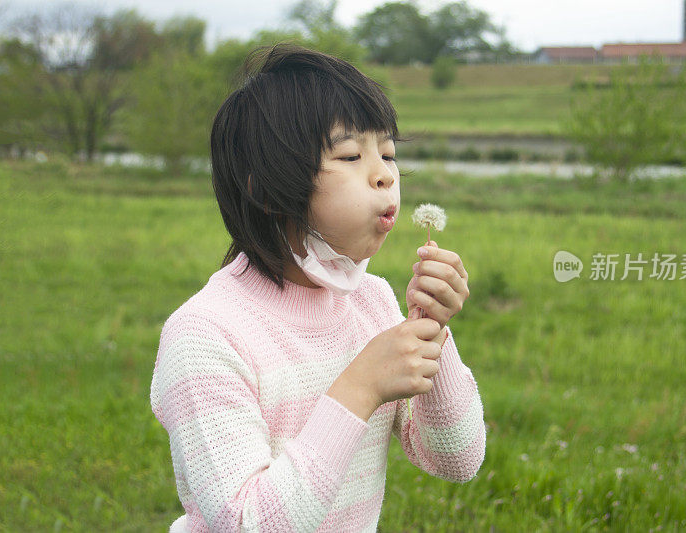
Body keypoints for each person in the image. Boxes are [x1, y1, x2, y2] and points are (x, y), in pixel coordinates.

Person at [150, 43, 486, 533]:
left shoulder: (371, 301)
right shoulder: (205, 336)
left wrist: (433, 326)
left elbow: (457, 458)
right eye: (350, 154)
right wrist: (360, 386)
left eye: (388, 153)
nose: (383, 176)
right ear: (265, 190)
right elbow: (248, 523)